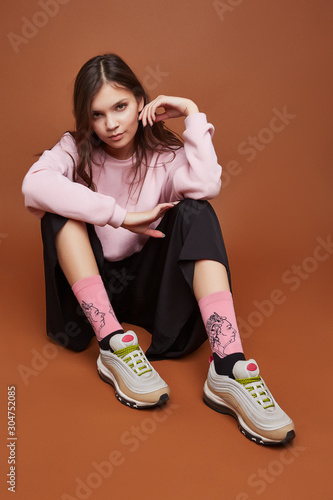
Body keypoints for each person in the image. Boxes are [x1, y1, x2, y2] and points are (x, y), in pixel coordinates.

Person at [22, 53, 295, 446]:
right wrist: (119, 216)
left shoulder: (164, 156)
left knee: (196, 211)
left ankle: (229, 366)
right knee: (56, 213)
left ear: (139, 101)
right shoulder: (73, 149)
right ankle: (113, 345)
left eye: (120, 106)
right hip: (92, 288)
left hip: (153, 290)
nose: (111, 124)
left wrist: (192, 113)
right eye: (97, 114)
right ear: (86, 118)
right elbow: (33, 187)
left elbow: (206, 185)